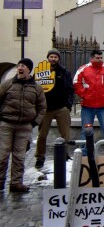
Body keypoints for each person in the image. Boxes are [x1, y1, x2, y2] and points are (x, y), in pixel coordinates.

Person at [0, 59, 46, 193]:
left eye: (24, 66)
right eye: (19, 65)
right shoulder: (7, 84)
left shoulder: (36, 88)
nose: (20, 68)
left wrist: (34, 122)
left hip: (25, 126)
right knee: (3, 155)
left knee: (19, 156)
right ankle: (0, 182)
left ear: (29, 70)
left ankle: (16, 183)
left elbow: (42, 107)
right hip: (7, 124)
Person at [73, 50, 104, 156]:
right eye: (97, 58)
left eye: (101, 58)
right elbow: (76, 82)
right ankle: (84, 152)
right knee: (86, 129)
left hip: (103, 106)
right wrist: (84, 94)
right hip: (87, 106)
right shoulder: (83, 69)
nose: (99, 60)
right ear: (91, 58)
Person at [35, 49, 74, 169]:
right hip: (45, 109)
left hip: (61, 107)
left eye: (55, 57)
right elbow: (34, 89)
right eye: (51, 56)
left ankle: (64, 154)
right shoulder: (41, 71)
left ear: (58, 59)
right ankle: (40, 158)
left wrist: (68, 105)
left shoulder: (65, 72)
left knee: (65, 134)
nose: (53, 59)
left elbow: (70, 89)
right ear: (48, 58)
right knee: (42, 135)